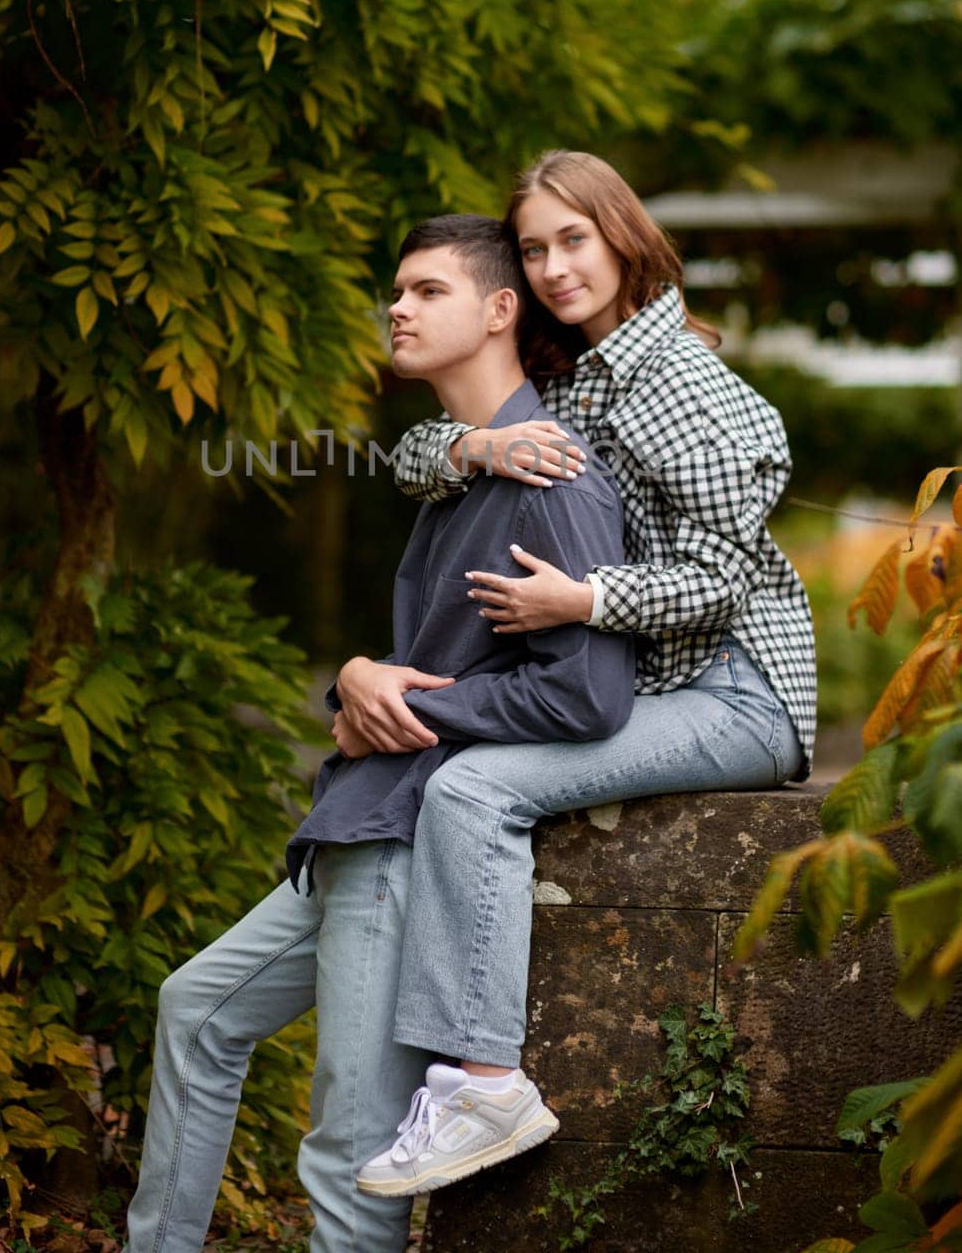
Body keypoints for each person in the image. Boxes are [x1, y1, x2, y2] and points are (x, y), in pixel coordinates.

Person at [123, 212, 633, 1253]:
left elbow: (588, 695)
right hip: (359, 826)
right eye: (394, 290)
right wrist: (357, 680)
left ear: (500, 310)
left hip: (408, 850)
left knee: (348, 1151)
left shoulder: (556, 475)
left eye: (426, 290)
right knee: (195, 1013)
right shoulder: (460, 466)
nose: (396, 307)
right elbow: (420, 659)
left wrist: (397, 707)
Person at [334, 149, 816, 1198]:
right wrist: (471, 449)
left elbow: (724, 578)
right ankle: (468, 1081)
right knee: (475, 775)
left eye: (575, 240)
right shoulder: (577, 377)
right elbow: (415, 452)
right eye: (536, 247)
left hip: (740, 692)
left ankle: (487, 1083)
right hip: (668, 686)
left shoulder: (680, 381)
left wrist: (583, 603)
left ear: (623, 234)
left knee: (475, 786)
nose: (555, 267)